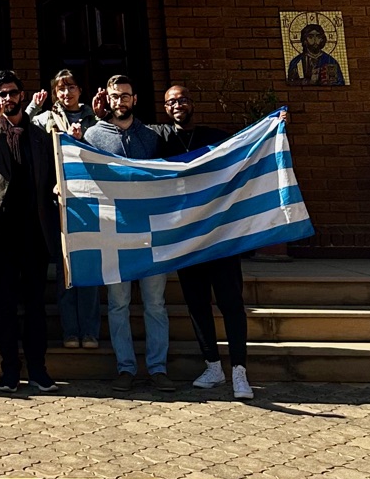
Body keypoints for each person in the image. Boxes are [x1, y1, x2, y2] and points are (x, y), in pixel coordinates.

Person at [152, 84, 254, 401]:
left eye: (182, 99)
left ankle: (239, 371)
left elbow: (247, 146)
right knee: (197, 305)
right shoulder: (161, 141)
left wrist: (274, 124)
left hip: (219, 236)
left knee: (231, 303)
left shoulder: (215, 137)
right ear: (165, 109)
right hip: (184, 238)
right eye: (171, 102)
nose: (177, 105)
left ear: (192, 103)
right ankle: (213, 365)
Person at [0, 69, 60, 395]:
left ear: (21, 95)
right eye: (1, 94)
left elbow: (53, 172)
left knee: (34, 305)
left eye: (12, 92)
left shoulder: (38, 135)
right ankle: (9, 372)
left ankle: (38, 370)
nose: (7, 98)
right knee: (3, 305)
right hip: (0, 233)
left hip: (34, 232)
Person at [84, 75, 173, 394]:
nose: (119, 101)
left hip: (151, 234)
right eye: (114, 96)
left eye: (125, 95)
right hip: (113, 232)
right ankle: (125, 368)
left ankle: (158, 369)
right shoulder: (92, 136)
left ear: (135, 99)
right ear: (106, 99)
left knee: (155, 304)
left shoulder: (153, 136)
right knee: (119, 303)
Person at [30, 68, 101, 351]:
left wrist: (83, 138)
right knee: (66, 270)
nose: (66, 93)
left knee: (90, 267)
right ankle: (71, 331)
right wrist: (34, 105)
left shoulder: (94, 119)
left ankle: (91, 331)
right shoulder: (45, 118)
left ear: (80, 90)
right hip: (60, 204)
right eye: (60, 88)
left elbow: (103, 150)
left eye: (71, 87)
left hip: (91, 203)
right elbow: (20, 127)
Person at [286, 22, 344, 86]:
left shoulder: (330, 60)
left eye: (318, 37)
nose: (315, 40)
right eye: (310, 37)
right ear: (305, 40)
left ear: (322, 39)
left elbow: (339, 84)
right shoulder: (297, 62)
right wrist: (309, 82)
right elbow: (291, 82)